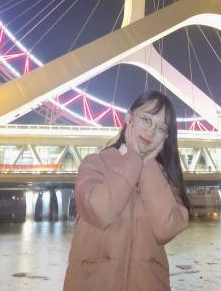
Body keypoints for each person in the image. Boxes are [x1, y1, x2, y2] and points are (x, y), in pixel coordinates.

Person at [63, 90, 191, 291]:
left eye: (160, 128)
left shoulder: (166, 181)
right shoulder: (94, 164)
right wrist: (134, 158)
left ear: (166, 136)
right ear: (128, 117)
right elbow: (100, 211)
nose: (150, 132)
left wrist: (147, 164)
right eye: (146, 119)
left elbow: (166, 229)